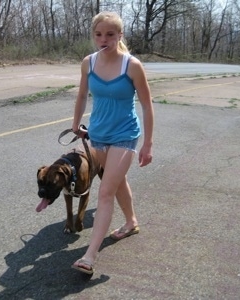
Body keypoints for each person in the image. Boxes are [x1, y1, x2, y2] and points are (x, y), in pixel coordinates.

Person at [71, 11, 154, 275]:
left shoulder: (132, 65)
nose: (103, 39)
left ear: (120, 35)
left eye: (109, 34)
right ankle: (131, 222)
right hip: (98, 134)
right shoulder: (88, 63)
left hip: (124, 134)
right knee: (117, 181)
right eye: (98, 34)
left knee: (105, 191)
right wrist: (76, 123)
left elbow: (147, 106)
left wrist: (148, 144)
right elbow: (83, 94)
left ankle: (89, 256)